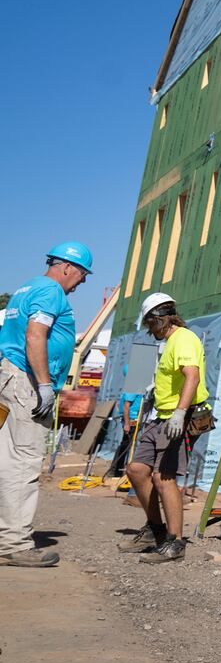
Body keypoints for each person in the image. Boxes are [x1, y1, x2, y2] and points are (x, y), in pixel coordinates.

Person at [0, 241, 93, 568]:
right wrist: (43, 385)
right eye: (82, 274)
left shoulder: (24, 290)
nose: (82, 282)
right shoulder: (52, 291)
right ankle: (13, 545)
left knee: (6, 459)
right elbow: (35, 334)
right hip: (26, 382)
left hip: (9, 378)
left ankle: (6, 537)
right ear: (67, 267)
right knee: (23, 462)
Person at [120, 292, 208, 563]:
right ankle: (155, 530)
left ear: (158, 319)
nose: (149, 330)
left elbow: (191, 376)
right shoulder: (170, 342)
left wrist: (180, 413)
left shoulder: (184, 338)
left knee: (164, 477)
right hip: (162, 416)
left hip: (180, 416)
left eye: (149, 324)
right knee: (136, 469)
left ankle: (175, 542)